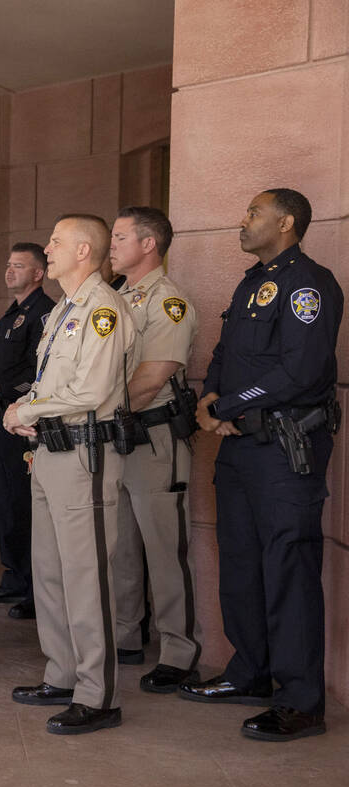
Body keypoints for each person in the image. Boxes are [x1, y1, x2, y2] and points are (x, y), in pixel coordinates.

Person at [183, 188, 343, 742]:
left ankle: (300, 702)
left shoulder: (308, 283)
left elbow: (301, 370)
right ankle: (250, 673)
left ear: (287, 223)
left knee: (288, 572)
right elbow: (228, 353)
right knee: (242, 564)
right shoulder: (253, 281)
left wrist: (225, 406)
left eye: (254, 212)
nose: (243, 219)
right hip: (240, 447)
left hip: (284, 450)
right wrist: (210, 401)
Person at [3, 214, 138, 734]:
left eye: (57, 242)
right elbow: (48, 383)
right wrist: (27, 411)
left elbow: (92, 390)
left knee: (86, 577)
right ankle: (61, 673)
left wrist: (26, 413)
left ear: (85, 251)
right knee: (52, 572)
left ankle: (97, 693)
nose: (49, 249)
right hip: (50, 453)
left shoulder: (103, 308)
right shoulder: (64, 309)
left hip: (84, 456)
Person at [107, 207, 203, 693]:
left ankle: (179, 650)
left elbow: (151, 378)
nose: (112, 243)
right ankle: (126, 634)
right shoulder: (118, 297)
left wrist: (96, 411)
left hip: (151, 435)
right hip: (115, 435)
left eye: (121, 236)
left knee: (164, 548)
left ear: (149, 244)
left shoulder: (167, 302)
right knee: (120, 543)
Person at [0, 243, 56, 620]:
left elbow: (38, 373)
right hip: (2, 421)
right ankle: (14, 574)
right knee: (7, 501)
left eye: (19, 266)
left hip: (27, 423)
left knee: (28, 505)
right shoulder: (9, 315)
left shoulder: (44, 313)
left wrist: (4, 393)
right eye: (8, 265)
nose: (9, 272)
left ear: (39, 272)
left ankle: (32, 585)